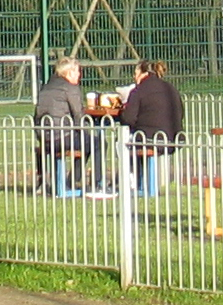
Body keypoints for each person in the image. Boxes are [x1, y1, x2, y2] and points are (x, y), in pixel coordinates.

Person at [32, 56, 106, 198]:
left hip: (44, 136)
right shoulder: (70, 88)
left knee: (84, 141)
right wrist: (85, 125)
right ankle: (95, 184)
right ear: (69, 73)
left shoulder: (47, 86)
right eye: (77, 71)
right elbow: (78, 115)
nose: (79, 75)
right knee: (98, 143)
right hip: (61, 136)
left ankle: (70, 180)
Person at [117, 58, 183, 198]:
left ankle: (132, 179)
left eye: (135, 72)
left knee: (122, 140)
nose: (134, 77)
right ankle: (141, 180)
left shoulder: (139, 90)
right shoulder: (170, 88)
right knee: (138, 139)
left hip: (149, 138)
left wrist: (122, 112)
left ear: (143, 73)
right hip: (173, 137)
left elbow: (128, 118)